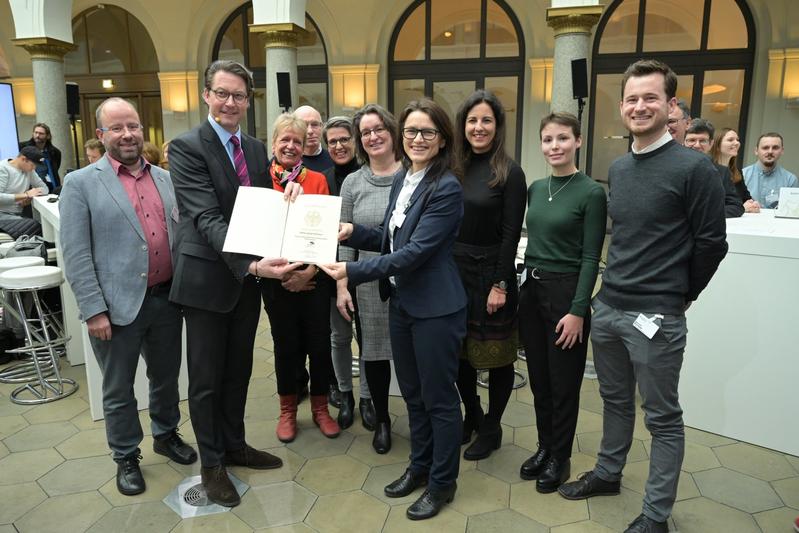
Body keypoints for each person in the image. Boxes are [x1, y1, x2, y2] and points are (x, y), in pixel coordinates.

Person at [557, 60, 728, 533]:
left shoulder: (696, 169)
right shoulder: (619, 167)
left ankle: (656, 515)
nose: (639, 106)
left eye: (650, 97)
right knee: (613, 401)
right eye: (632, 98)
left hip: (656, 316)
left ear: (671, 105)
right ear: (622, 106)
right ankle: (609, 474)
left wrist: (681, 294)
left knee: (663, 418)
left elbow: (713, 245)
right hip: (609, 307)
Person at [321, 98, 467, 521]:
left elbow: (416, 252)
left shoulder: (446, 187)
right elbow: (392, 237)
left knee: (440, 400)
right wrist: (356, 231)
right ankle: (419, 467)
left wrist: (351, 270)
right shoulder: (408, 178)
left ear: (442, 140)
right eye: (411, 131)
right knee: (415, 396)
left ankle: (442, 483)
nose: (417, 139)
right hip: (402, 303)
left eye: (427, 132)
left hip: (437, 308)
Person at [168, 60, 301, 508]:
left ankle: (234, 445)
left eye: (239, 96)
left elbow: (260, 208)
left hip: (247, 282)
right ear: (206, 94)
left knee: (239, 370)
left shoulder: (257, 147)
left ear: (248, 100)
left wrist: (288, 198)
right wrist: (252, 265)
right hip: (208, 281)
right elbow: (206, 217)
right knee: (206, 378)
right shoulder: (186, 147)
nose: (230, 102)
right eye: (222, 93)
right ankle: (211, 464)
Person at [60, 97, 197, 497]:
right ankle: (125, 455)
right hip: (114, 308)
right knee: (119, 389)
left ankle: (166, 433)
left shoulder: (166, 179)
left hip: (167, 300)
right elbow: (76, 253)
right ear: (101, 135)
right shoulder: (81, 183)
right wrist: (93, 310)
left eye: (133, 126)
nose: (127, 134)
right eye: (117, 128)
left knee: (167, 376)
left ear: (143, 130)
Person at [518, 112, 607, 493]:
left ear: (578, 141)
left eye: (562, 139)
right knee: (539, 379)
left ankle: (561, 456)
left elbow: (591, 257)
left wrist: (577, 310)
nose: (554, 146)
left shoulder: (591, 192)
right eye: (548, 139)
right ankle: (544, 447)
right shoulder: (536, 187)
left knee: (564, 382)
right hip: (531, 291)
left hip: (565, 294)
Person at [452, 90, 526, 461]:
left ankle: (493, 426)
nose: (478, 127)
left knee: (497, 357)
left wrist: (500, 284)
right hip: (455, 273)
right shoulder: (454, 167)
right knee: (461, 354)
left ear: (497, 127)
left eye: (486, 120)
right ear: (462, 126)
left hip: (493, 274)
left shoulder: (510, 172)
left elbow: (511, 234)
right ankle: (472, 414)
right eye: (472, 120)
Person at [262, 112, 340, 444]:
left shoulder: (318, 179)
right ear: (274, 144)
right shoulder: (260, 180)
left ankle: (321, 410)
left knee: (319, 346)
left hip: (314, 277)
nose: (291, 146)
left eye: (297, 140)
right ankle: (287, 412)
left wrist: (309, 270)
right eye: (285, 140)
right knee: (286, 348)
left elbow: (326, 234)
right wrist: (284, 275)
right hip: (275, 280)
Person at [337, 103, 406, 452]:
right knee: (374, 354)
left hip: (410, 282)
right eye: (365, 132)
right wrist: (341, 286)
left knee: (413, 356)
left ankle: (419, 416)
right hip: (367, 286)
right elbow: (344, 241)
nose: (373, 136)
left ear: (392, 132)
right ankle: (382, 420)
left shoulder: (413, 175)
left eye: (379, 128)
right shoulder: (352, 182)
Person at [321, 115, 374, 430]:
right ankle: (345, 395)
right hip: (330, 270)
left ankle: (367, 396)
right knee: (339, 337)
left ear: (355, 142)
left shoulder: (368, 176)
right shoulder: (320, 179)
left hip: (365, 269)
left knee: (367, 339)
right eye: (332, 142)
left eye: (344, 139)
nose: (339, 146)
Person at [683, 118, 744, 218]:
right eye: (691, 140)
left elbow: (736, 206)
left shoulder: (722, 172)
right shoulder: (672, 168)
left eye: (702, 141)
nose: (697, 145)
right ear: (683, 142)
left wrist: (705, 216)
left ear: (711, 144)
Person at [0, 146, 47, 238]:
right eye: (33, 165)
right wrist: (24, 195)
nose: (34, 168)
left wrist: (30, 197)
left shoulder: (29, 171)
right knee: (35, 227)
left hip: (19, 213)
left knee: (41, 225)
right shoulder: (3, 169)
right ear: (23, 159)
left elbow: (44, 188)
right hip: (2, 215)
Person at [743, 132, 798, 208]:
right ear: (756, 151)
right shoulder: (743, 175)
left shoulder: (790, 180)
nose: (770, 151)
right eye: (765, 147)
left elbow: (792, 211)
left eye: (775, 148)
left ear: (782, 150)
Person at [709, 128, 758, 212]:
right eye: (730, 140)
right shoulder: (708, 170)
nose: (737, 143)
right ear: (717, 145)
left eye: (737, 140)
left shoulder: (736, 172)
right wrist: (742, 208)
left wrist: (753, 204)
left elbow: (746, 198)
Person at [19, 123, 61, 189]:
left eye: (41, 133)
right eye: (36, 132)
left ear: (48, 136)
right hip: (30, 188)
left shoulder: (55, 152)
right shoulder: (22, 147)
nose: (37, 135)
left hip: (52, 187)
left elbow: (55, 170)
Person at [295, 105, 334, 172]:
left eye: (315, 124)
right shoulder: (287, 162)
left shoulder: (334, 160)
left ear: (322, 127)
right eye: (304, 125)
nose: (310, 131)